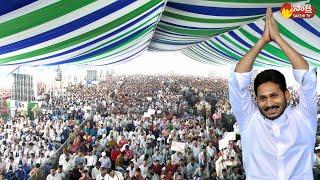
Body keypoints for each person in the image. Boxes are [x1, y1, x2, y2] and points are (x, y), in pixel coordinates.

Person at [228, 7, 317, 179]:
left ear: (287, 94)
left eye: (274, 95)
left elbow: (308, 78)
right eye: (262, 98)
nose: (269, 104)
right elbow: (237, 79)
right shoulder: (249, 121)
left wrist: (278, 39)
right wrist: (262, 41)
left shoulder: (305, 118)